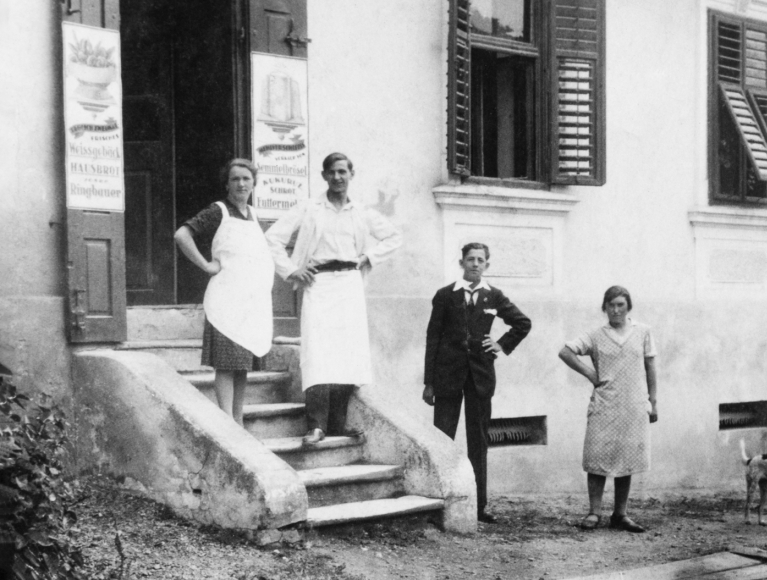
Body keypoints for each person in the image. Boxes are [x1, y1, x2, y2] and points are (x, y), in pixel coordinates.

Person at [265, 152, 401, 445]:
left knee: (347, 353)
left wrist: (368, 256)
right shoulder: (310, 208)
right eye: (332, 172)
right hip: (319, 283)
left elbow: (393, 237)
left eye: (343, 172)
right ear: (324, 176)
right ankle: (315, 425)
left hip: (350, 284)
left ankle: (338, 425)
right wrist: (292, 271)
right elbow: (273, 238)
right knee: (318, 351)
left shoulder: (361, 212)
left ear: (352, 174)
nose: (338, 177)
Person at [422, 243, 532, 524]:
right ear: (461, 263)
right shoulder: (446, 295)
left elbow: (522, 323)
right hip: (447, 376)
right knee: (443, 436)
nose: (475, 264)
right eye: (470, 259)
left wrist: (500, 344)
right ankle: (440, 501)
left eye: (480, 260)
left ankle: (479, 506)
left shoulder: (493, 296)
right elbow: (432, 337)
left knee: (478, 441)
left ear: (487, 265)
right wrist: (429, 382)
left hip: (480, 378)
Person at [174, 158, 274, 426]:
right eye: (235, 179)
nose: (241, 184)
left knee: (242, 364)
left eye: (246, 179)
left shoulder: (253, 214)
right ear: (227, 184)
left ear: (254, 183)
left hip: (249, 302)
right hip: (225, 299)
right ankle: (227, 420)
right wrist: (206, 265)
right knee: (226, 363)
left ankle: (238, 419)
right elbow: (182, 235)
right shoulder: (218, 210)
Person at [558, 285, 658, 533]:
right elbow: (566, 351)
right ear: (604, 307)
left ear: (628, 307)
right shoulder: (595, 335)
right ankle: (594, 512)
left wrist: (653, 401)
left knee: (627, 458)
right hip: (605, 404)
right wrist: (591, 373)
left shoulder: (643, 332)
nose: (615, 310)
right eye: (611, 305)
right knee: (597, 457)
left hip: (633, 404)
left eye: (620, 305)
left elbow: (650, 367)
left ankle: (620, 514)